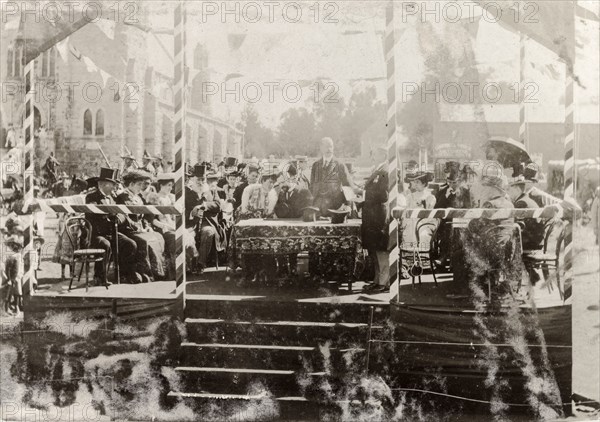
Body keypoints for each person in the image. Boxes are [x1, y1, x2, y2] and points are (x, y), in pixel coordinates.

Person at [464, 169, 521, 298]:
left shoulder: (490, 204)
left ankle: (470, 289)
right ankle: (490, 282)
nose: (484, 190)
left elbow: (474, 225)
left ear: (493, 190)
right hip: (506, 251)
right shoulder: (510, 204)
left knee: (460, 252)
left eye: (486, 188)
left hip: (490, 252)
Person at [85, 167, 139, 285]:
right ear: (104, 184)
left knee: (130, 244)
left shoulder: (113, 197)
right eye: (113, 184)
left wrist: (119, 218)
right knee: (105, 244)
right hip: (97, 235)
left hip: (112, 232)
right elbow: (95, 216)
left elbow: (122, 213)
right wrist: (112, 216)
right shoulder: (92, 197)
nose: (115, 187)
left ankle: (123, 274)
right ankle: (100, 277)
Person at [115, 170, 166, 282]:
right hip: (128, 230)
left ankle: (158, 271)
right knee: (145, 241)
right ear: (131, 184)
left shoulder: (139, 198)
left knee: (158, 236)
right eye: (138, 184)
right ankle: (144, 272)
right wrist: (137, 226)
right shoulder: (123, 197)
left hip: (140, 228)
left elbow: (145, 216)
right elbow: (125, 217)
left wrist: (147, 225)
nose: (141, 187)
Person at [361, 147, 390, 293]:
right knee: (374, 249)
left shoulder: (385, 171)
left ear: (384, 155)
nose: (373, 156)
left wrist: (365, 196)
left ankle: (384, 282)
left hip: (379, 215)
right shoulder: (376, 170)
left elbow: (384, 195)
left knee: (381, 249)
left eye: (376, 153)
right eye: (373, 154)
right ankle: (377, 280)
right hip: (371, 214)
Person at [508, 176, 545, 283]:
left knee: (505, 245)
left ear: (517, 189)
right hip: (536, 239)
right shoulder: (527, 199)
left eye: (510, 189)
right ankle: (530, 274)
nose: (508, 192)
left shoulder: (521, 203)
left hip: (531, 242)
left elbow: (515, 224)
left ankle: (511, 280)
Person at [310, 137, 360, 216]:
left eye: (331, 146)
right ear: (321, 148)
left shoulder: (339, 165)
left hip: (334, 207)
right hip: (317, 207)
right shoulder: (315, 165)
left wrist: (347, 206)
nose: (329, 149)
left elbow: (348, 186)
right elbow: (312, 186)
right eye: (326, 146)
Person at [434, 162, 471, 269]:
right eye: (449, 182)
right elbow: (436, 209)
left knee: (456, 231)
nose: (451, 185)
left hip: (461, 222)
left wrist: (456, 211)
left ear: (459, 181)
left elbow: (468, 208)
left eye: (454, 182)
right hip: (446, 222)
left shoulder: (465, 192)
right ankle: (444, 257)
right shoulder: (442, 192)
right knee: (448, 228)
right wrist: (446, 196)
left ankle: (454, 259)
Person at [3, 235, 24, 316]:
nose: (13, 246)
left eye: (14, 245)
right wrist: (9, 279)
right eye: (11, 245)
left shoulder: (18, 255)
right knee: (9, 293)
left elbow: (19, 267)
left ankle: (16, 307)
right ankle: (6, 308)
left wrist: (19, 275)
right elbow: (8, 268)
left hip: (17, 276)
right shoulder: (10, 256)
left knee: (17, 292)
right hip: (11, 277)